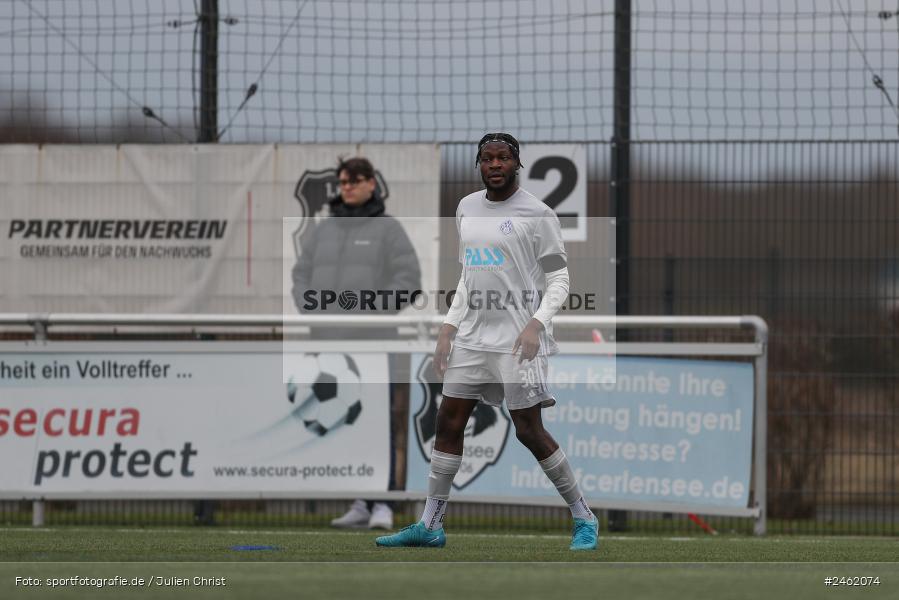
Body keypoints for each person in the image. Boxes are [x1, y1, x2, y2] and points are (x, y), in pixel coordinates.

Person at [375, 133, 598, 550]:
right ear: (479, 164)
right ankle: (431, 525)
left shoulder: (539, 213)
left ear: (517, 163)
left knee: (529, 430)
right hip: (472, 338)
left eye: (503, 158)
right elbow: (468, 276)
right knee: (448, 422)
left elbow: (560, 279)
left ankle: (584, 517)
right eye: (488, 158)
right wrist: (449, 326)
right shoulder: (466, 208)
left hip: (517, 341)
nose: (495, 164)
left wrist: (536, 323)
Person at [291, 156, 421, 530]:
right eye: (342, 181)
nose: (345, 187)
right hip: (330, 345)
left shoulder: (388, 229)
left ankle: (385, 502)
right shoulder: (324, 229)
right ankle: (361, 501)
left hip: (374, 344)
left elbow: (408, 281)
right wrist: (311, 308)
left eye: (353, 180)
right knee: (347, 419)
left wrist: (370, 312)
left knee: (383, 422)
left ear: (371, 184)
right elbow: (301, 274)